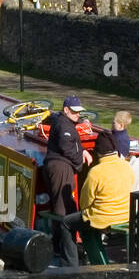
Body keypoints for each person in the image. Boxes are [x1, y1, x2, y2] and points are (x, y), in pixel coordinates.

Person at [42, 95, 94, 266]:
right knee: (65, 213)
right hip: (61, 168)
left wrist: (83, 151)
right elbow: (66, 147)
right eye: (74, 112)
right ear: (66, 110)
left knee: (60, 209)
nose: (78, 115)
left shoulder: (62, 122)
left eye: (79, 112)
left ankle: (58, 248)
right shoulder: (64, 125)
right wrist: (81, 157)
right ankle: (69, 260)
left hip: (57, 166)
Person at [63, 143, 134, 251]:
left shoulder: (95, 172)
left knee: (66, 222)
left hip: (103, 218)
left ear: (99, 153)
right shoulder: (127, 166)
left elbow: (85, 202)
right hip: (126, 215)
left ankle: (71, 262)